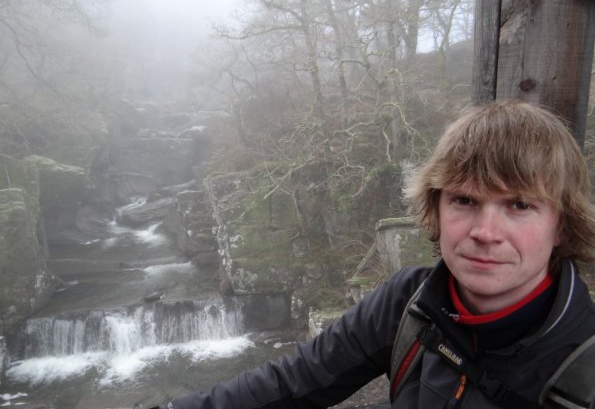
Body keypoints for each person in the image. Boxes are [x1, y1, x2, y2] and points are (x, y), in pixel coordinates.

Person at [151, 100, 595, 409]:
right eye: (464, 200)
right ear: (436, 210)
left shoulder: (584, 365)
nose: (484, 232)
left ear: (562, 225)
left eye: (519, 205)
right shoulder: (411, 303)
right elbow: (294, 383)